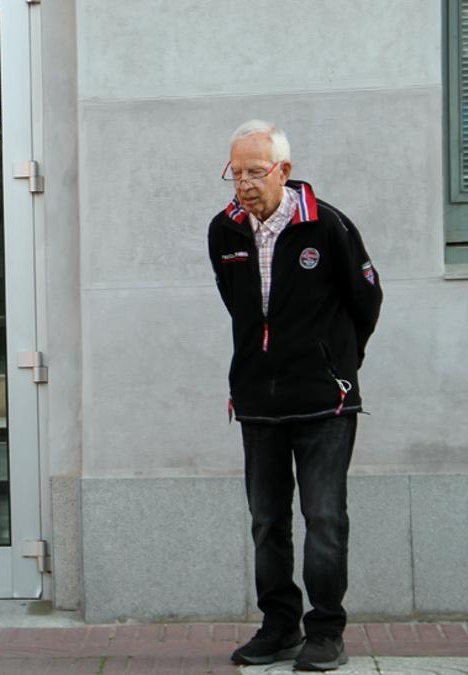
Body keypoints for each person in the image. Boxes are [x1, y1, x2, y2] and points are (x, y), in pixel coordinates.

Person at [208, 120, 382, 672]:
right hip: (258, 401)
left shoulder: (327, 225)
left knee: (324, 517)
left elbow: (367, 299)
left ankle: (326, 631)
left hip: (324, 403)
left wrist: (337, 365)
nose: (243, 184)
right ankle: (279, 627)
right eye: (234, 173)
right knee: (266, 520)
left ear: (283, 169)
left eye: (254, 172)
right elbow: (238, 308)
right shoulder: (224, 231)